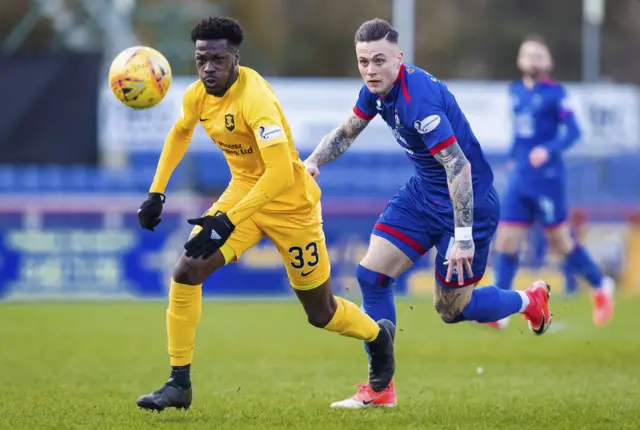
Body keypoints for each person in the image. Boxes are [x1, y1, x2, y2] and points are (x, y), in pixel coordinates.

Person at [134, 16, 396, 412]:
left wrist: (227, 220)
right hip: (242, 196)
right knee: (186, 270)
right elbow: (180, 132)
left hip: (291, 205)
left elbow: (276, 174)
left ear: (235, 57)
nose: (208, 68)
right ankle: (178, 383)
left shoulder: (256, 99)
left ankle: (378, 337)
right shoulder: (197, 96)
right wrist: (156, 192)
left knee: (321, 313)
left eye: (217, 59)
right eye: (202, 59)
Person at [303, 18, 551, 409]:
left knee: (452, 309)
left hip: (467, 204)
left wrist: (463, 237)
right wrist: (313, 161)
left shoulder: (418, 101)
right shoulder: (377, 89)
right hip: (423, 194)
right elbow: (347, 131)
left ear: (398, 59)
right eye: (363, 61)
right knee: (371, 275)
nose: (370, 69)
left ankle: (529, 301)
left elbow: (459, 167)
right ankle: (381, 387)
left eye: (379, 61)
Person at [490, 35, 614, 329]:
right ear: (520, 61)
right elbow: (520, 134)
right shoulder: (516, 91)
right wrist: (512, 156)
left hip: (547, 179)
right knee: (506, 240)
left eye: (538, 55)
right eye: (527, 55)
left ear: (548, 62)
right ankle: (503, 310)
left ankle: (600, 284)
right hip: (520, 177)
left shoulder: (556, 94)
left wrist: (548, 149)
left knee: (560, 241)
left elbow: (573, 131)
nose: (532, 60)